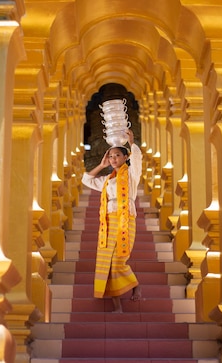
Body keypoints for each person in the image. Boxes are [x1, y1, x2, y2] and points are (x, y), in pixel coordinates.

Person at [81, 129, 142, 313]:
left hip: (126, 219)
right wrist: (101, 165)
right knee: (107, 264)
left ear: (125, 158)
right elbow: (87, 180)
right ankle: (118, 306)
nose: (114, 159)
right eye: (111, 156)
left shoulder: (131, 175)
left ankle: (135, 285)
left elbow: (137, 160)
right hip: (108, 223)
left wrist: (131, 143)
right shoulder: (107, 180)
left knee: (118, 262)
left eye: (117, 155)